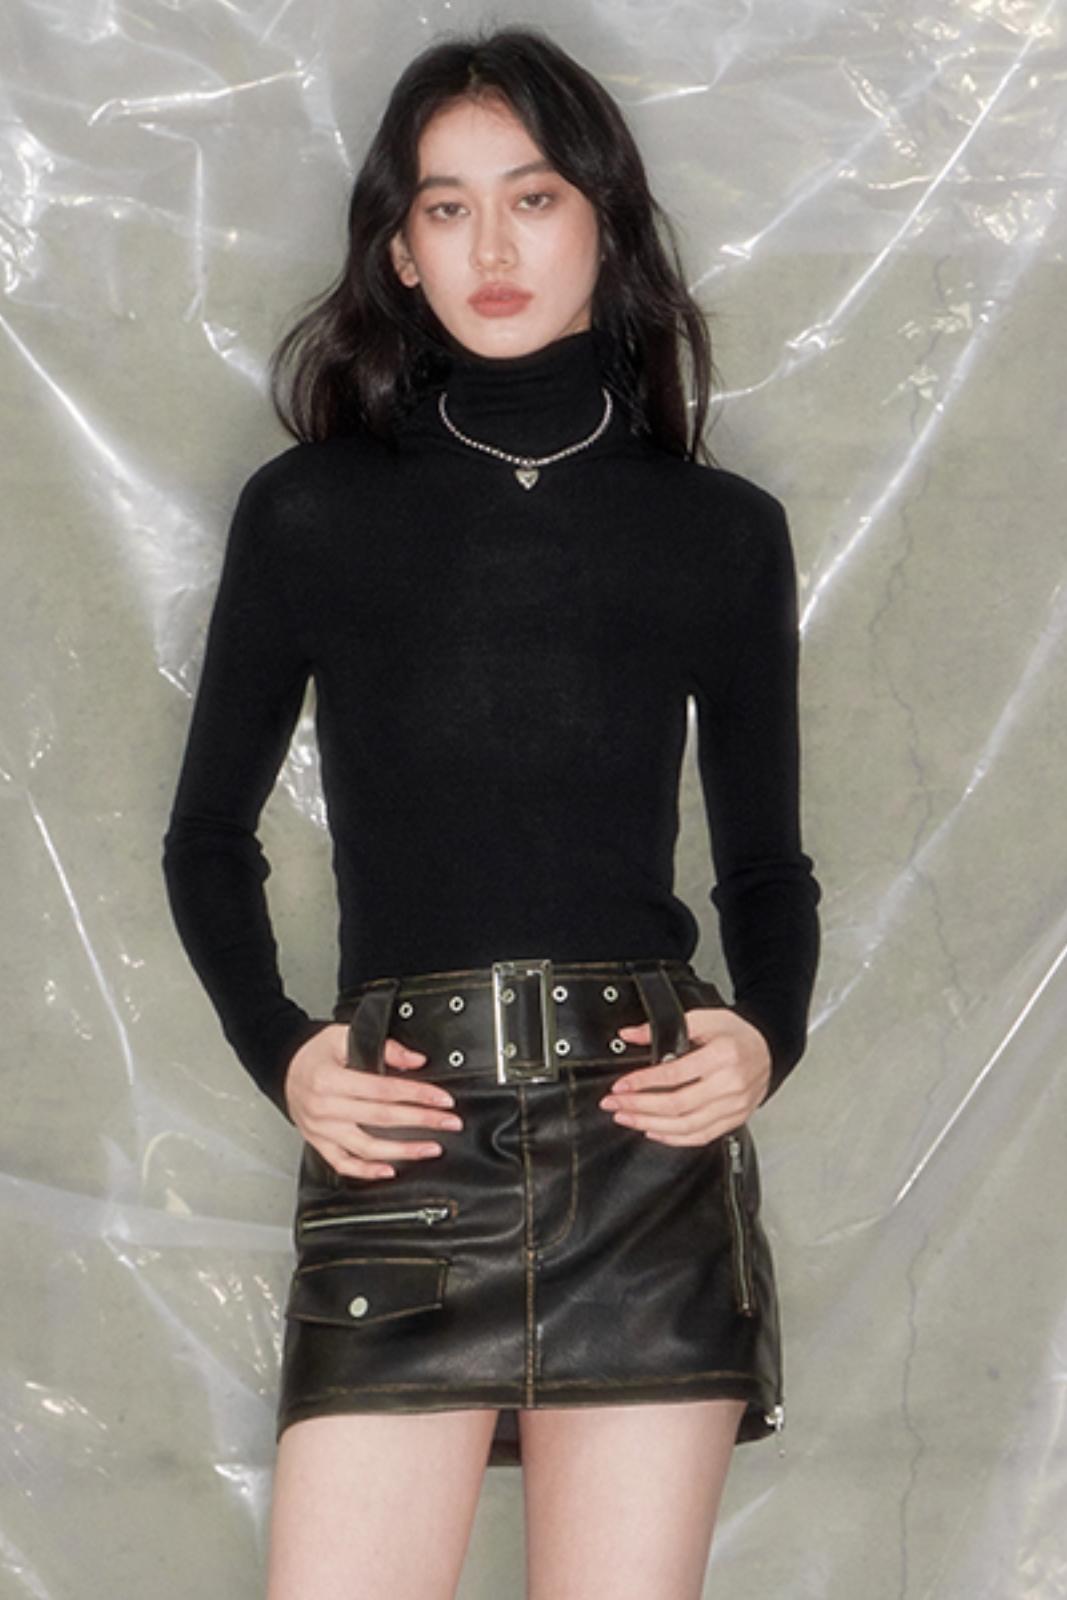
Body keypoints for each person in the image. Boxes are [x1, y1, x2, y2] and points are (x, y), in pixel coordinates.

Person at [161, 24, 821, 1600]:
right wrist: (286, 1051)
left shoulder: (721, 531)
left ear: (604, 218)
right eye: (447, 209)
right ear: (400, 249)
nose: (494, 247)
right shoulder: (310, 511)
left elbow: (765, 868)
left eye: (532, 198)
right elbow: (207, 841)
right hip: (408, 1145)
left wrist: (768, 1035)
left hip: (643, 1144)